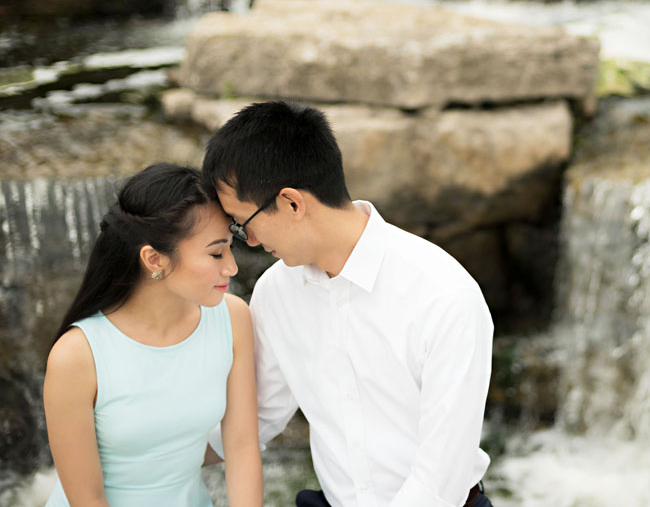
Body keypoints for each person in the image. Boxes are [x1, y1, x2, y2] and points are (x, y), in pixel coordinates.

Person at [202, 101, 495, 507]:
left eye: (242, 223)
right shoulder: (276, 292)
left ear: (291, 203)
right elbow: (259, 415)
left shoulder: (444, 295)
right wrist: (142, 460)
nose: (247, 241)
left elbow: (439, 479)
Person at [42, 163, 263, 507]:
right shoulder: (77, 355)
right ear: (154, 259)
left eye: (230, 248)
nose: (231, 267)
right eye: (216, 253)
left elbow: (242, 446)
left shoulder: (233, 318)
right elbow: (88, 499)